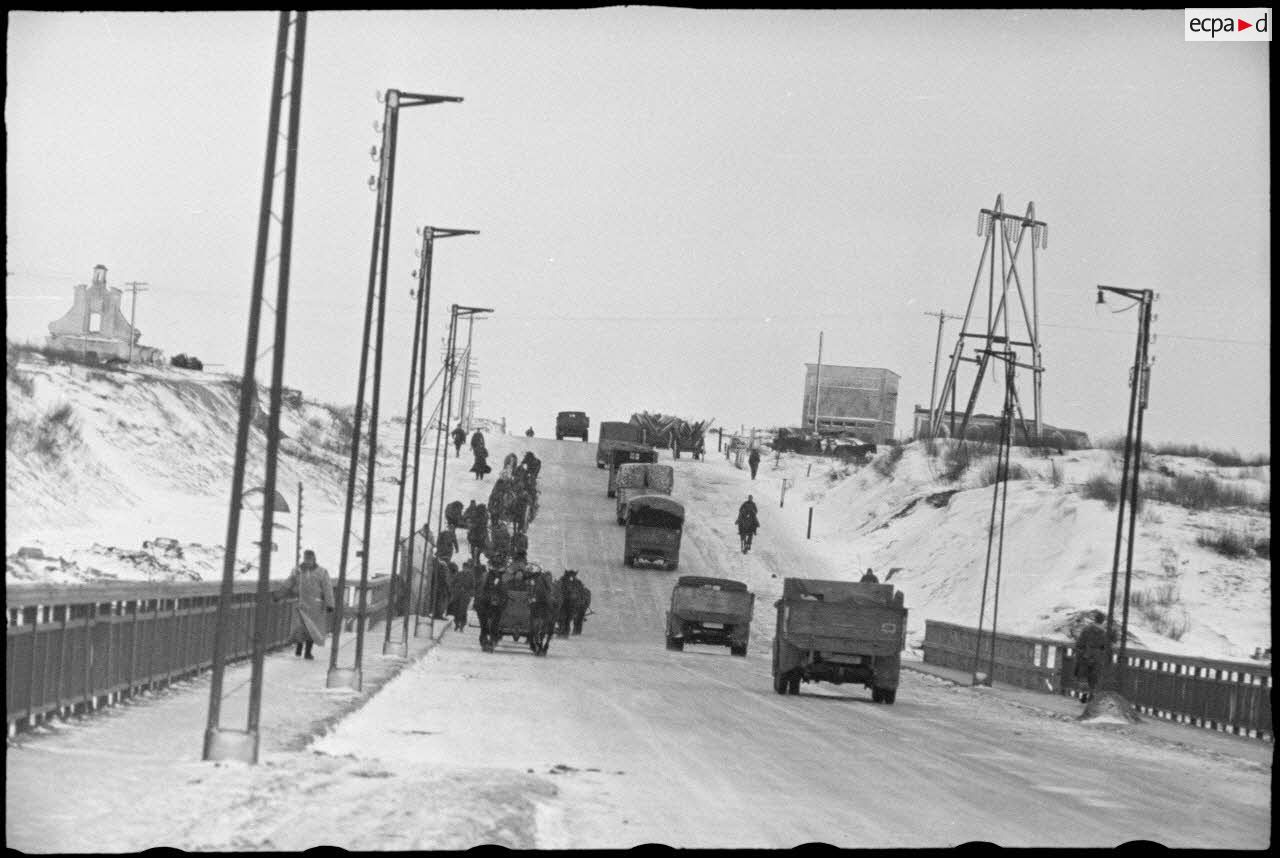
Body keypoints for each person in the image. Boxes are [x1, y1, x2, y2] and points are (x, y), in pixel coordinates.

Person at [274, 549, 335, 660]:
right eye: (306, 559)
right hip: (301, 604)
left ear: (314, 559)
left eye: (309, 559)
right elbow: (288, 583)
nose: (307, 561)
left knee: (311, 629)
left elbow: (327, 588)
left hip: (315, 606)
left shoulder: (322, 572)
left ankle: (308, 652)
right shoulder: (297, 571)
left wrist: (330, 604)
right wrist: (279, 595)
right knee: (299, 627)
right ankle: (298, 649)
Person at [1074, 611, 1111, 703]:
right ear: (1103, 621)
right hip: (1098, 657)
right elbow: (1106, 646)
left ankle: (1084, 693)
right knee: (1094, 677)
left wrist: (1080, 653)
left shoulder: (1086, 629)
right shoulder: (1104, 632)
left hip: (1085, 655)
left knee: (1083, 676)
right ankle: (1092, 695)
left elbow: (1080, 643)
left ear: (1094, 619)